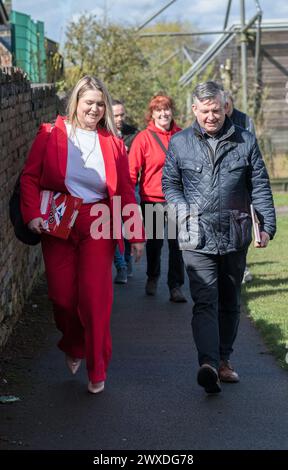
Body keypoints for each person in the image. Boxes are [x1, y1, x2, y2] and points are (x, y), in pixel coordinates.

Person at [20, 75, 145, 394]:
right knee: (62, 297)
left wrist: (136, 233)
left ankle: (97, 367)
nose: (95, 109)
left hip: (98, 219)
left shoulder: (114, 144)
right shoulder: (50, 134)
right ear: (75, 102)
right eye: (89, 102)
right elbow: (30, 178)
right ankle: (73, 343)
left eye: (100, 104)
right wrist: (32, 214)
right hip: (58, 218)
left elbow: (127, 191)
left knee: (95, 298)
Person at [162, 81, 276, 394]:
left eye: (216, 110)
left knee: (229, 301)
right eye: (204, 111)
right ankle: (208, 364)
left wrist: (266, 226)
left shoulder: (245, 141)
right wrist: (184, 211)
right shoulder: (180, 143)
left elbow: (260, 187)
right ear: (194, 111)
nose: (211, 116)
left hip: (235, 233)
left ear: (224, 107)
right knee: (204, 300)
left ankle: (225, 361)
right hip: (195, 236)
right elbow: (170, 185)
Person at [129, 94, 186, 303]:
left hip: (177, 199)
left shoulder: (183, 135)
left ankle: (176, 286)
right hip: (152, 200)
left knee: (177, 244)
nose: (163, 113)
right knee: (154, 244)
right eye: (158, 110)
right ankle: (152, 277)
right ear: (152, 114)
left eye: (167, 109)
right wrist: (128, 198)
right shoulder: (143, 138)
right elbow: (132, 171)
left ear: (172, 111)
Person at [224, 89, 255, 283]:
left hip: (241, 180)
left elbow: (252, 147)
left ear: (231, 104)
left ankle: (242, 267)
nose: (223, 110)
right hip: (222, 182)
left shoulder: (244, 120)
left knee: (242, 225)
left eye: (226, 105)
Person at [112, 99, 139, 284]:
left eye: (122, 115)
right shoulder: (103, 133)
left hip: (130, 186)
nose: (120, 118)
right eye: (115, 115)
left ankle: (127, 261)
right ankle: (120, 266)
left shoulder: (134, 134)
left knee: (129, 227)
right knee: (113, 229)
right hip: (111, 187)